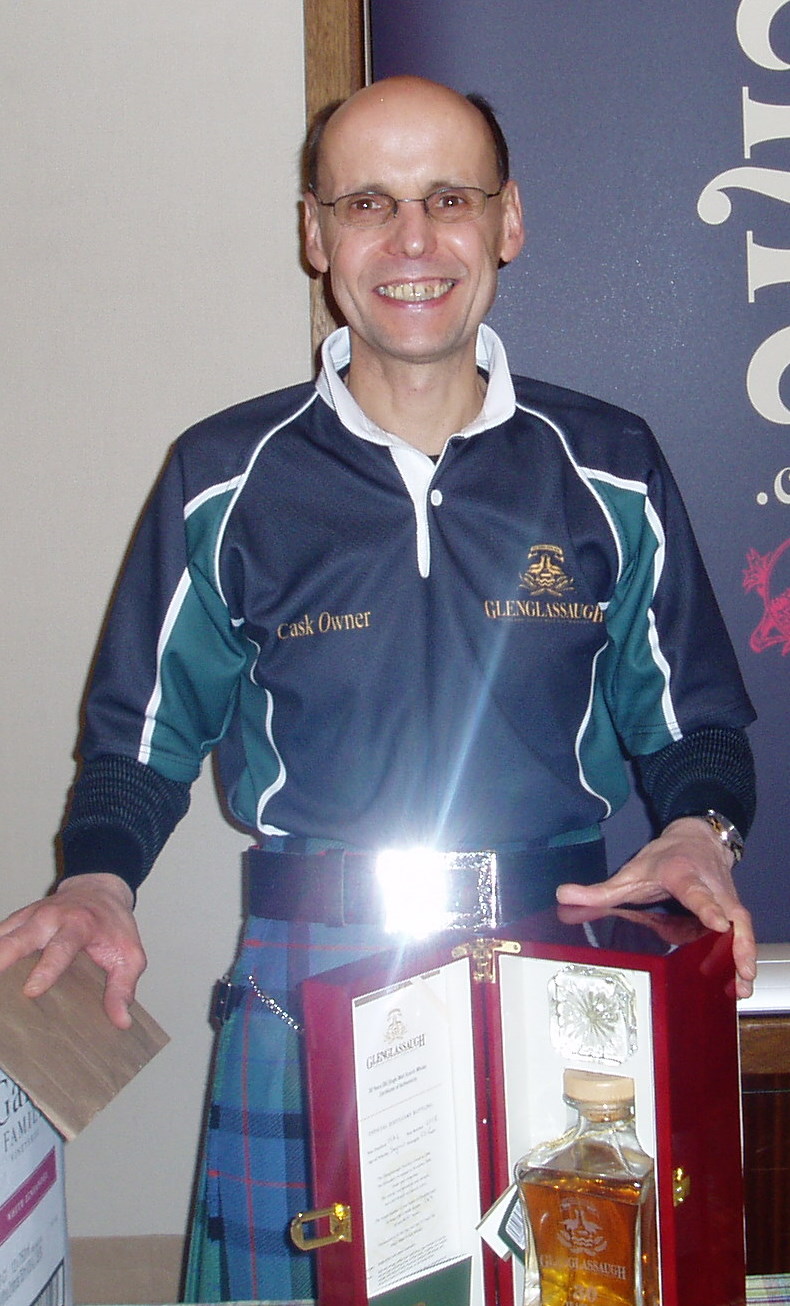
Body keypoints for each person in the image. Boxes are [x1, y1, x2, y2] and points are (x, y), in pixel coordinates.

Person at [0, 76, 756, 1302]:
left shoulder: (609, 466)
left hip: (560, 968)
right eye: (367, 204)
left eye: (448, 199)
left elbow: (695, 726)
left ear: (507, 222)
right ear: (316, 234)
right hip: (310, 973)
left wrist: (698, 827)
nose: (412, 240)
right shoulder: (221, 476)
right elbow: (140, 740)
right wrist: (97, 875)